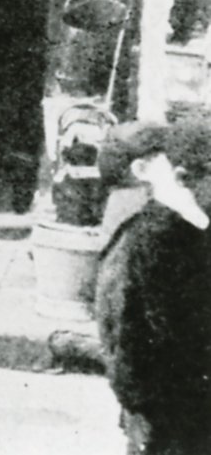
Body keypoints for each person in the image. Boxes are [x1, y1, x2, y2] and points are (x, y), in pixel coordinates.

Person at [94, 118, 211, 455]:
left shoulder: (185, 227)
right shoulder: (155, 237)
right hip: (170, 413)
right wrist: (139, 409)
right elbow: (129, 330)